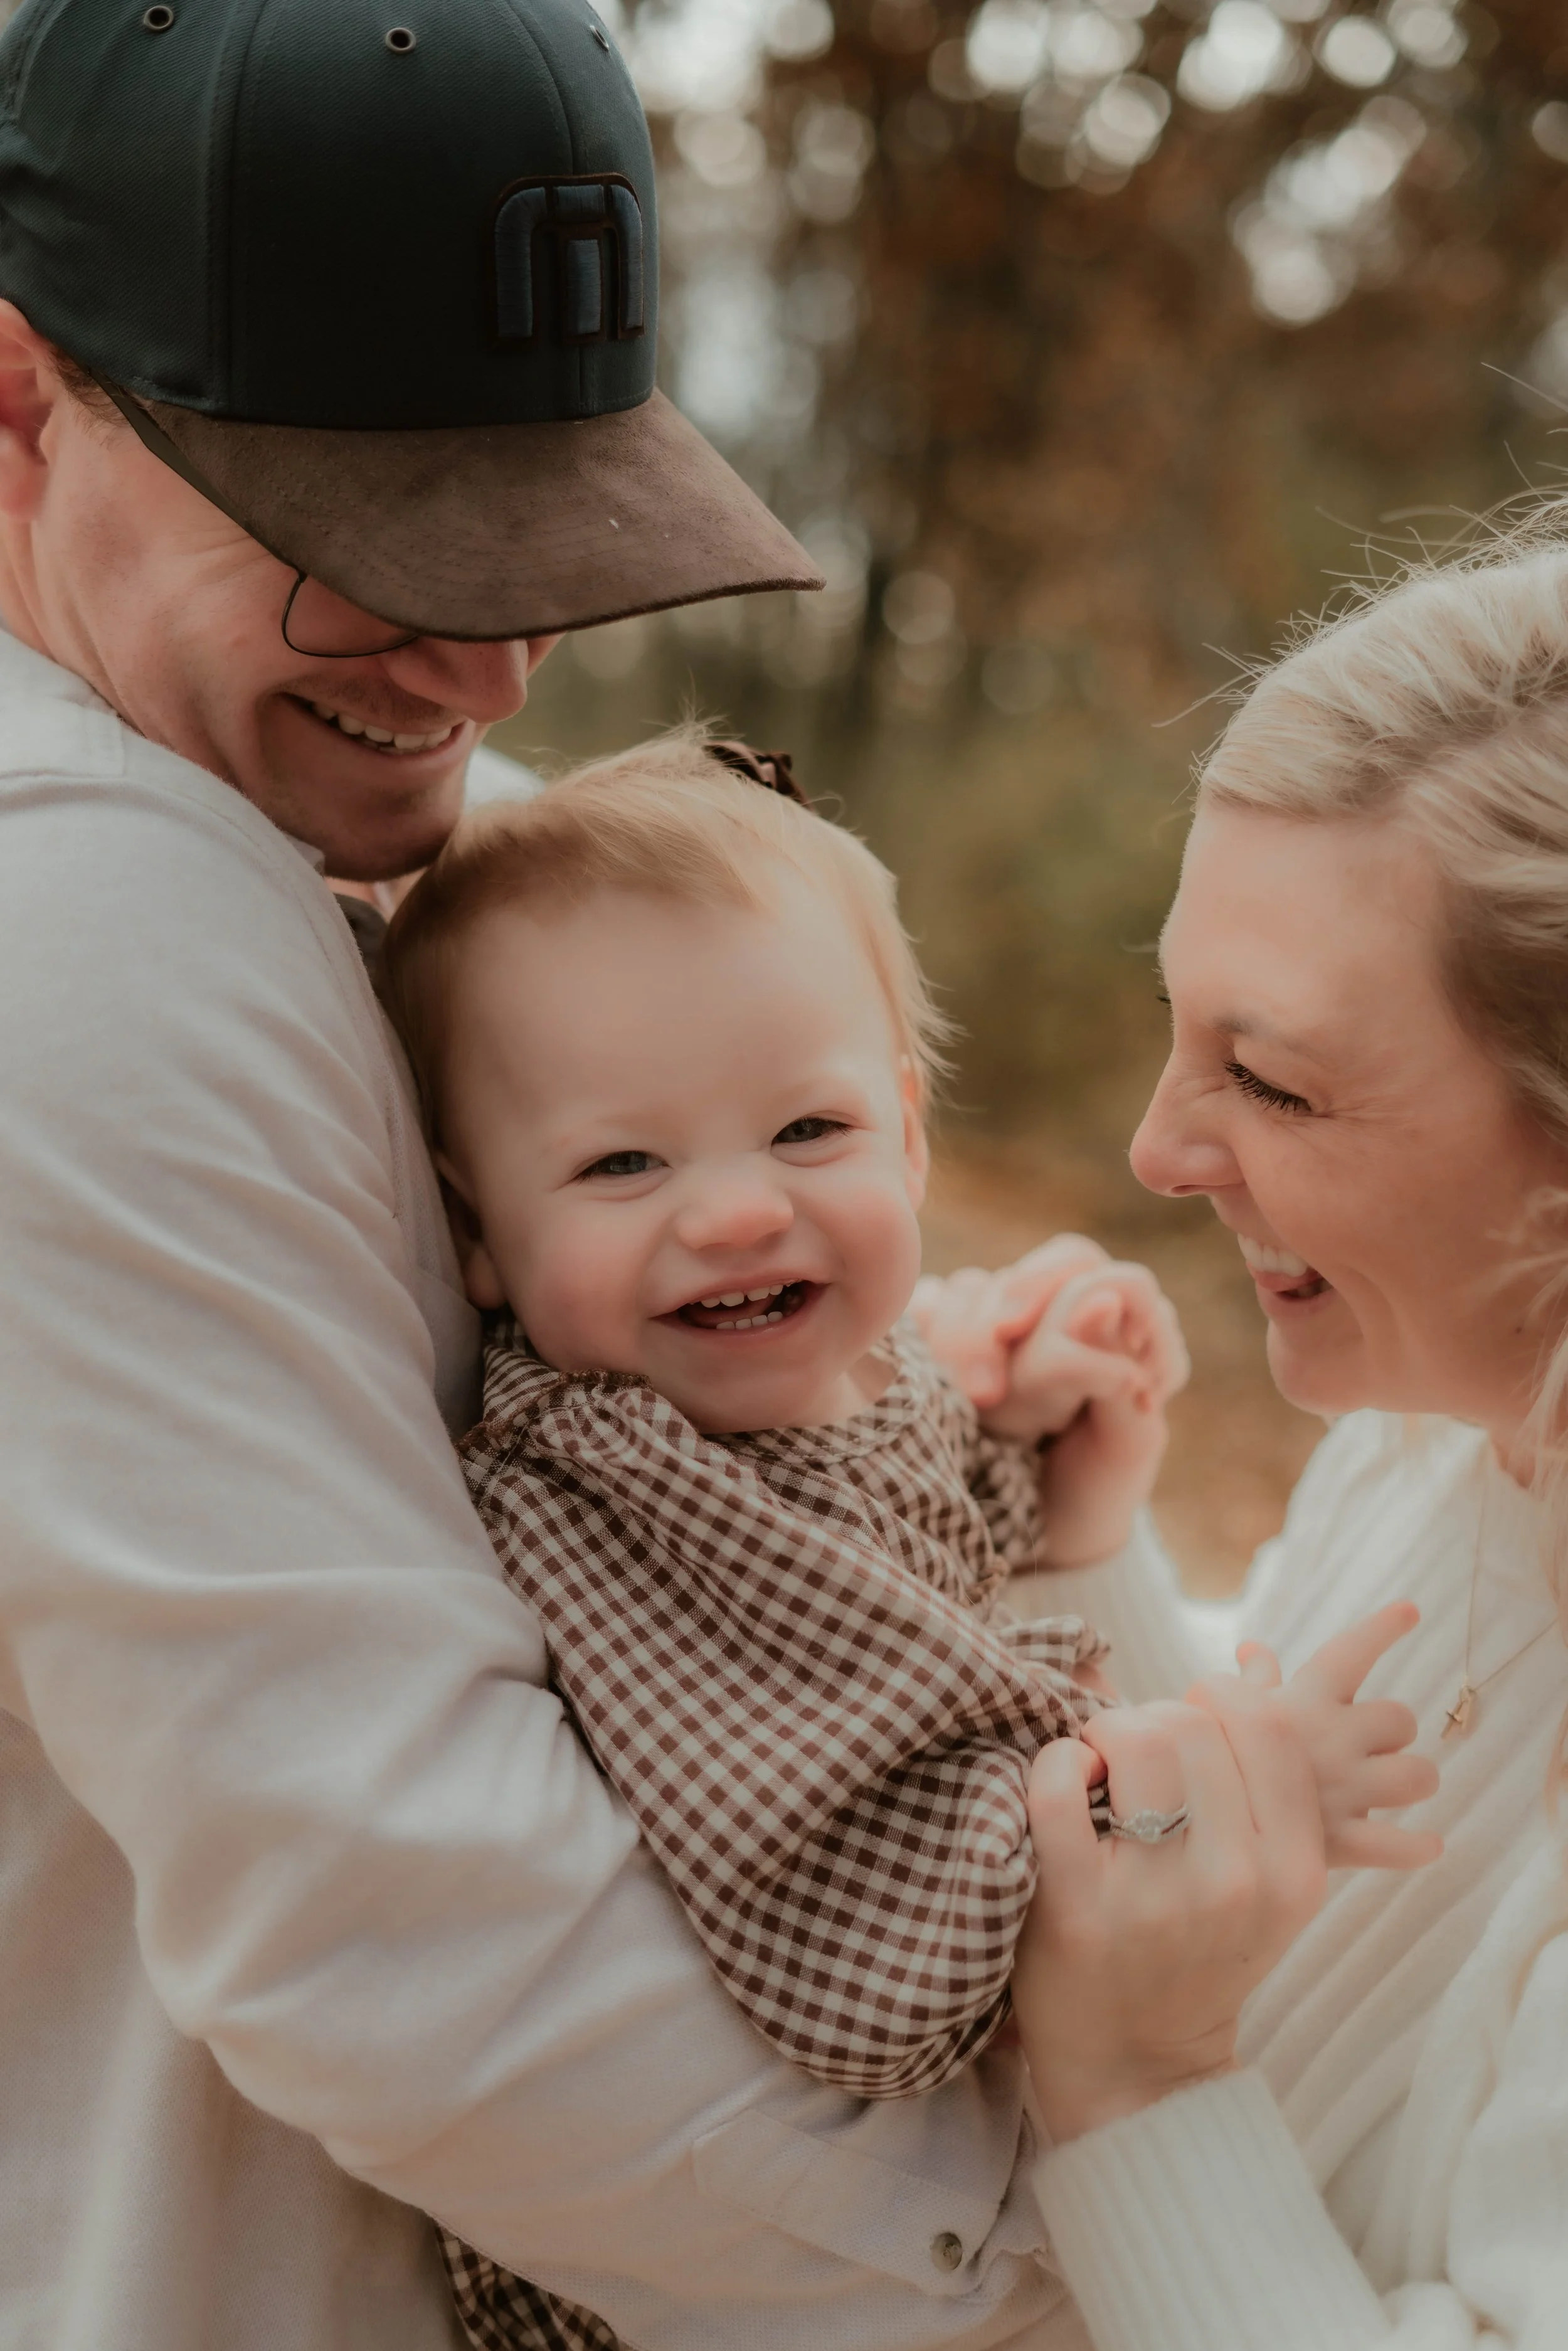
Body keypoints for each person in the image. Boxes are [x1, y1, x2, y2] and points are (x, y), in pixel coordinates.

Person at [0, 4, 1128, 2348]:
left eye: (542, 533)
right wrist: (1100, 2261)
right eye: (373, 545)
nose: (499, 671)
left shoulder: (295, 797)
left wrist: (926, 1387)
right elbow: (396, 1919)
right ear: (22, 402)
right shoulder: (88, 923)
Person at [378, 732, 1438, 2351]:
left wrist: (1027, 1460)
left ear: (908, 1138)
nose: (734, 1210)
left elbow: (895, 1570)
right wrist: (1207, 1776)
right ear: (475, 1233)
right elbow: (840, 1878)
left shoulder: (789, 1394)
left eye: (806, 1131)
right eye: (620, 1161)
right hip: (739, 2284)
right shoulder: (615, 1488)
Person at [920, 529, 1568, 2348]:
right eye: (1175, 1032)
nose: (1154, 1147)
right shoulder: (1448, 1429)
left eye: (1269, 1076)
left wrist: (1135, 2085)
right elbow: (1296, 1830)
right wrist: (1085, 1547)